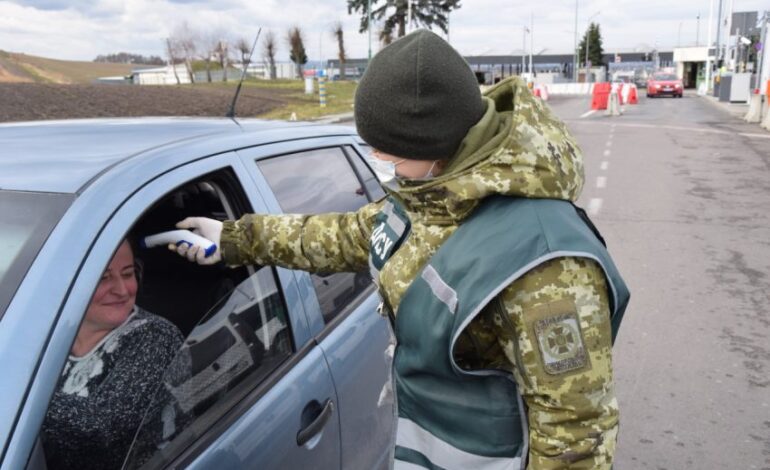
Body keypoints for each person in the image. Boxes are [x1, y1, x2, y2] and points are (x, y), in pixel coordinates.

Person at [171, 29, 630, 470]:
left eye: (385, 151)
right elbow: (345, 235)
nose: (377, 158)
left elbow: (576, 432)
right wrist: (234, 238)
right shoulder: (431, 194)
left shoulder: (545, 263)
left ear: (432, 143)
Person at [42, 239, 184, 470]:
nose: (121, 290)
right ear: (67, 282)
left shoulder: (156, 336)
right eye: (103, 278)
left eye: (128, 274)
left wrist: (15, 396)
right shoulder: (41, 333)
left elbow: (101, 427)